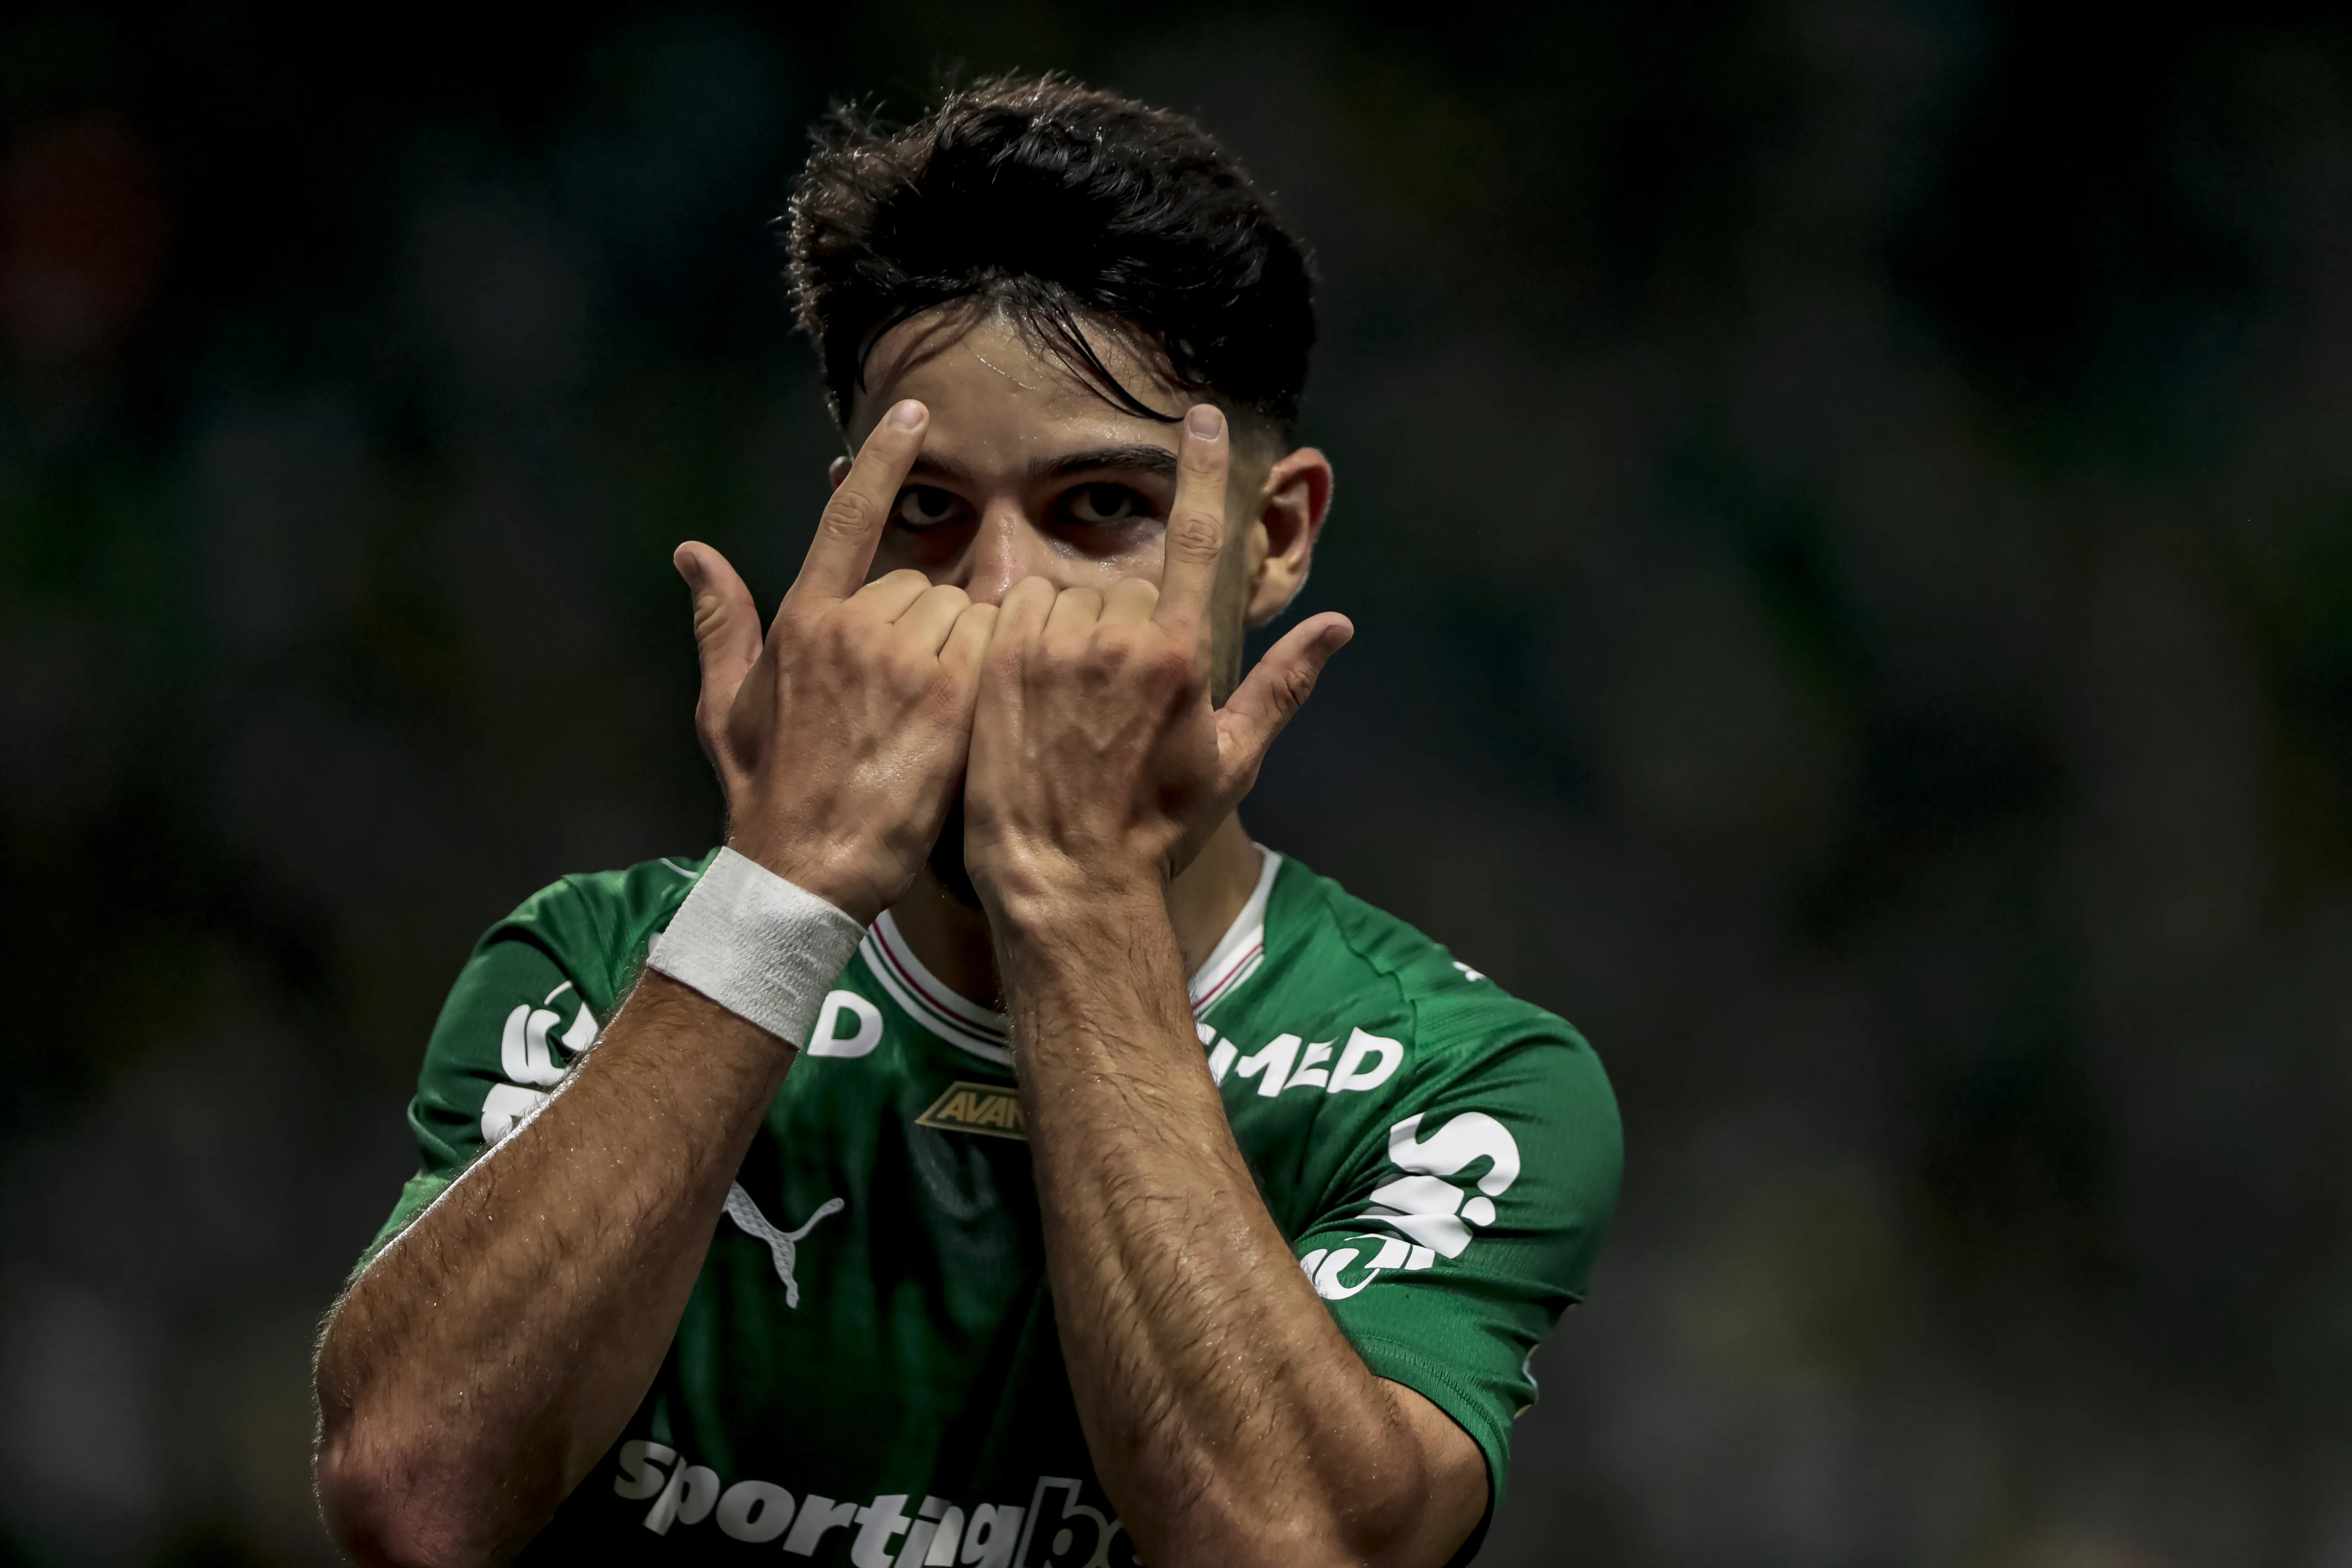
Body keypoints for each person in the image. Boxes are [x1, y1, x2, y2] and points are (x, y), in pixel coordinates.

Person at [313, 74, 1621, 1568]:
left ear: (1273, 539)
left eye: (1102, 509)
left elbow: (1296, 1545)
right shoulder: (602, 964)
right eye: (927, 510)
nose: (998, 600)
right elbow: (411, 1497)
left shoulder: (1464, 1079)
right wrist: (778, 891)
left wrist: (1074, 905)